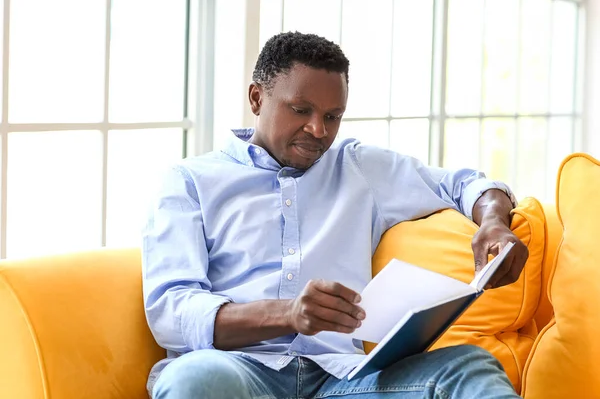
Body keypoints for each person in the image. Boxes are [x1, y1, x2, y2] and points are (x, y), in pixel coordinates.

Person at [142, 32, 529, 399]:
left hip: (340, 379)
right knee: (194, 378)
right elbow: (170, 311)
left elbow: (466, 185)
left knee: (468, 366)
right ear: (257, 98)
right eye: (301, 110)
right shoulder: (190, 182)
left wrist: (494, 221)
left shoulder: (359, 167)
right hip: (236, 372)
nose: (318, 130)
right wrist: (289, 314)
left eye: (333, 116)